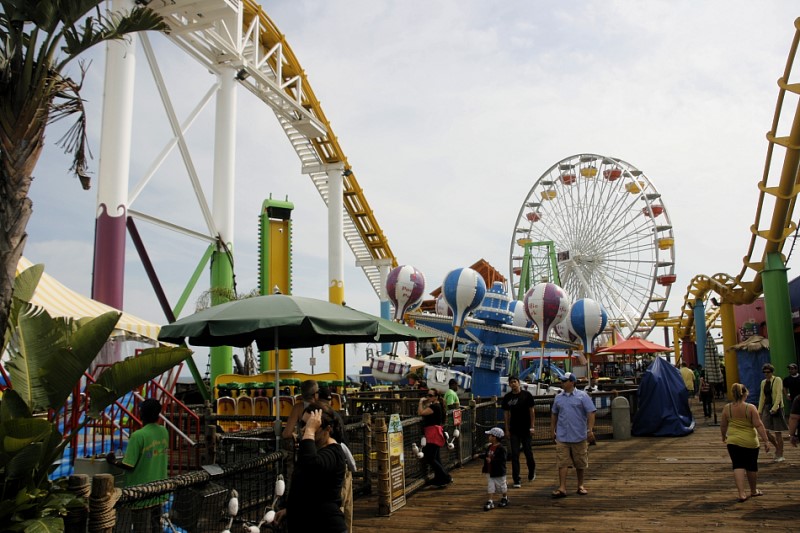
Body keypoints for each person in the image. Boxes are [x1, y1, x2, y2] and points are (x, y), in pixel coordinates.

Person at [275, 403, 348, 533]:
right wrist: (291, 511)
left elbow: (310, 467)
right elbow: (310, 491)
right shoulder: (314, 450)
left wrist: (309, 432)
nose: (303, 429)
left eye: (313, 426)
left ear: (328, 429)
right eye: (303, 424)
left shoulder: (334, 453)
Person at [106, 398, 169, 532]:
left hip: (140, 493)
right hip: (159, 489)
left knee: (142, 528)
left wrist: (113, 462)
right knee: (156, 526)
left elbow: (129, 465)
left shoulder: (138, 436)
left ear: (141, 414)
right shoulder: (164, 432)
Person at [720, 383, 771, 502]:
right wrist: (766, 441)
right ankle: (753, 491)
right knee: (751, 466)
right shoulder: (750, 407)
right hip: (750, 441)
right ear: (745, 394)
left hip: (733, 441)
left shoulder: (727, 408)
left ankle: (741, 494)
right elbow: (758, 425)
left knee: (738, 465)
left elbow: (723, 425)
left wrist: (723, 436)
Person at [550, 372, 596, 498]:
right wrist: (552, 429)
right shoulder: (558, 397)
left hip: (579, 435)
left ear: (572, 382)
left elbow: (591, 412)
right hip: (562, 435)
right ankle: (562, 487)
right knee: (562, 462)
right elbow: (554, 414)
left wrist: (590, 430)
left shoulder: (582, 396)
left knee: (580, 462)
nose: (562, 383)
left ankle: (580, 485)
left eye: (565, 381)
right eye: (562, 381)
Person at [501, 375, 536, 488]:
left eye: (515, 382)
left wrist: (532, 426)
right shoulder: (507, 397)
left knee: (528, 452)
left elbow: (532, 411)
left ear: (519, 383)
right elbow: (506, 414)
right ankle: (516, 479)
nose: (513, 384)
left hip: (526, 429)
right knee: (515, 454)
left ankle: (531, 471)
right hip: (514, 429)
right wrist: (506, 429)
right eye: (511, 382)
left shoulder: (527, 395)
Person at [417, 388, 452, 488]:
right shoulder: (435, 405)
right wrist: (425, 403)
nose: (428, 397)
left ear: (436, 397)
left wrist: (420, 402)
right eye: (428, 395)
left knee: (430, 457)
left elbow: (420, 413)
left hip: (433, 433)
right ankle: (439, 478)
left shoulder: (434, 406)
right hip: (434, 432)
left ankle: (445, 477)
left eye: (431, 395)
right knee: (436, 457)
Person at [758, 363, 788, 462]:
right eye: (765, 372)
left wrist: (775, 408)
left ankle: (780, 453)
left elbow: (779, 394)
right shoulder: (763, 382)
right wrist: (759, 410)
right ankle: (777, 447)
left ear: (772, 372)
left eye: (768, 372)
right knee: (765, 431)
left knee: (777, 432)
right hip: (767, 407)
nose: (766, 374)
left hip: (776, 408)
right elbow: (762, 397)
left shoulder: (777, 380)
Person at [480, 427, 508, 511]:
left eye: (490, 435)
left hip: (498, 471)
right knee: (490, 486)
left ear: (494, 437)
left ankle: (505, 497)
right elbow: (486, 455)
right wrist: (479, 456)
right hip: (490, 471)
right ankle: (490, 501)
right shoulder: (489, 447)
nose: (488, 437)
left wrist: (492, 460)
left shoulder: (502, 449)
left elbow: (502, 460)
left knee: (502, 486)